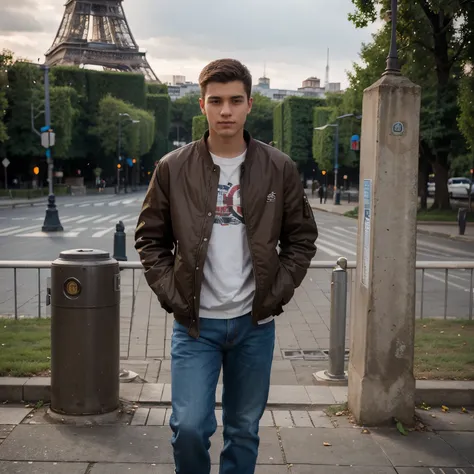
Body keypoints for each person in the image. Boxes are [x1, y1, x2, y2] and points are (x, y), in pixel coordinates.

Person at [135, 58, 318, 474]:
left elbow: (301, 239)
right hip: (195, 326)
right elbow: (150, 239)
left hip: (254, 325)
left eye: (235, 100)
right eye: (216, 101)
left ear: (250, 104)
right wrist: (174, 296)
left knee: (243, 429)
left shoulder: (279, 168)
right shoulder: (172, 167)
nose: (226, 111)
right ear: (202, 105)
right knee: (190, 428)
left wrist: (275, 293)